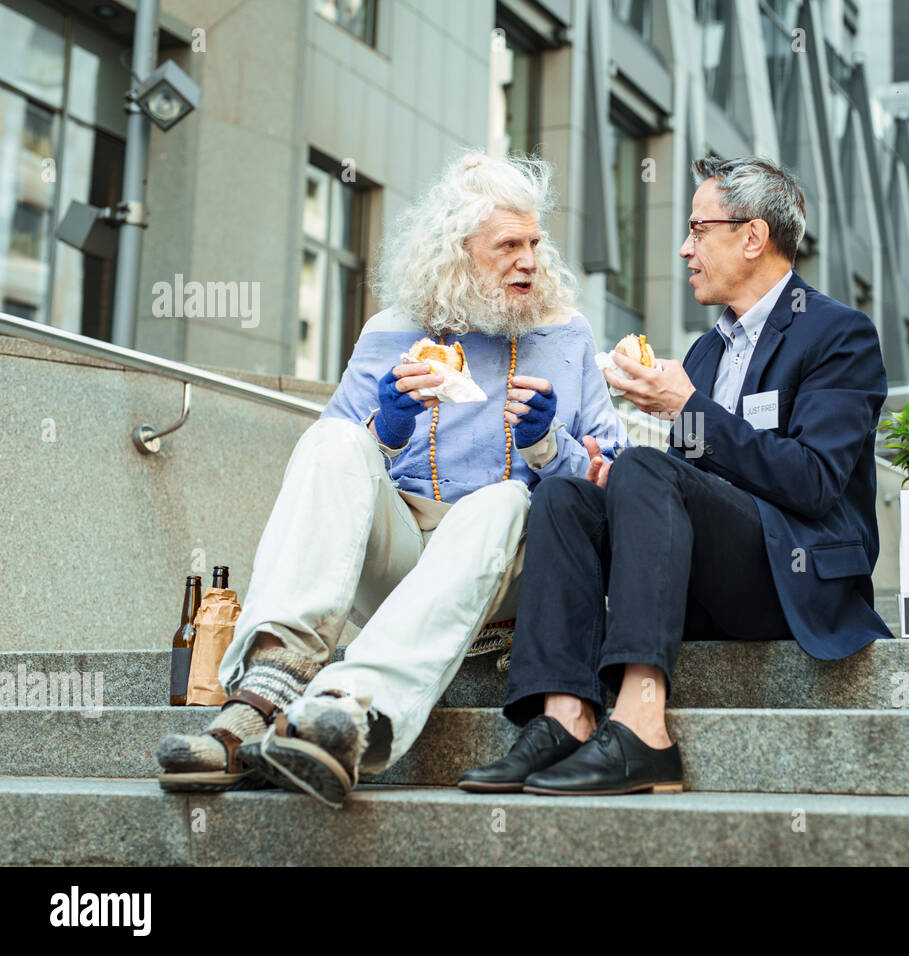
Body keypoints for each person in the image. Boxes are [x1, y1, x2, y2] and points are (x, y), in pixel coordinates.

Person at [155, 153, 627, 807]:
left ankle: (349, 713)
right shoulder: (390, 332)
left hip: (510, 566)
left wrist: (550, 445)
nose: (530, 262)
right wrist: (389, 425)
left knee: (501, 499)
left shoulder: (566, 335)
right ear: (458, 253)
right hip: (403, 550)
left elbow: (615, 477)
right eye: (508, 246)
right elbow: (333, 466)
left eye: (534, 244)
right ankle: (267, 687)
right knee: (332, 439)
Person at [459, 156, 891, 797]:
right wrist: (623, 483)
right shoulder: (707, 350)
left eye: (698, 228)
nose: (685, 248)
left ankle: (642, 730)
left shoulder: (838, 335)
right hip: (712, 572)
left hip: (791, 576)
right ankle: (565, 718)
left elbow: (814, 483)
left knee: (644, 467)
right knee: (568, 498)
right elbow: (695, 479)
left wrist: (685, 411)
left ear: (751, 237)